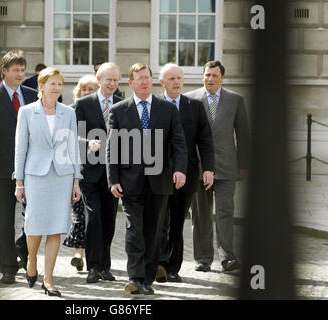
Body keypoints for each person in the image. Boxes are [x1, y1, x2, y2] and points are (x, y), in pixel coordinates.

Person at [106, 63, 187, 295]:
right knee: (134, 229)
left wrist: (180, 169)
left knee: (153, 232)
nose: (144, 82)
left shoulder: (168, 109)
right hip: (130, 181)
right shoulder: (119, 110)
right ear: (130, 83)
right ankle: (134, 277)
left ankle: (148, 279)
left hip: (159, 181)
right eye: (139, 78)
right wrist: (113, 179)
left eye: (147, 78)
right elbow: (112, 147)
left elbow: (178, 142)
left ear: (152, 80)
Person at [14, 67, 82, 297]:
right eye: (52, 83)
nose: (56, 88)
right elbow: (20, 149)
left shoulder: (68, 113)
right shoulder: (26, 112)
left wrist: (76, 181)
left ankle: (49, 279)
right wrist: (19, 183)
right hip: (35, 176)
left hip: (62, 177)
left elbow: (73, 148)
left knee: (56, 228)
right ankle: (31, 259)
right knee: (34, 225)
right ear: (41, 86)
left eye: (59, 84)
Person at [185, 60, 250, 272]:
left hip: (226, 166)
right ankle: (203, 258)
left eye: (214, 75)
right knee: (201, 214)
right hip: (199, 167)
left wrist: (243, 165)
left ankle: (227, 257)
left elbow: (243, 135)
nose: (210, 79)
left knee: (225, 211)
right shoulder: (190, 99)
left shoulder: (235, 100)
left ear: (222, 77)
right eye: (207, 75)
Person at [0, 49, 38, 284]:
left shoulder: (34, 95)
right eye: (16, 71)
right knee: (3, 220)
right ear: (4, 71)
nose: (20, 75)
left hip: (33, 168)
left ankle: (22, 251)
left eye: (23, 71)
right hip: (1, 169)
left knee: (34, 218)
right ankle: (7, 267)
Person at [156, 63, 215, 283]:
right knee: (161, 220)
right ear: (162, 82)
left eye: (179, 78)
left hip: (187, 174)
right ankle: (159, 264)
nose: (177, 82)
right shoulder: (154, 105)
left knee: (178, 221)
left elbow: (205, 140)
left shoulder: (195, 106)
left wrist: (208, 168)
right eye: (171, 78)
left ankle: (172, 267)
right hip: (159, 174)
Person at [75, 63, 123, 284]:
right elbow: (72, 134)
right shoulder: (84, 104)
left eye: (115, 80)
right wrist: (87, 143)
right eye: (108, 79)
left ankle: (105, 265)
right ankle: (93, 267)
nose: (112, 83)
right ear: (99, 79)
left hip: (113, 174)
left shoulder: (124, 105)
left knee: (109, 219)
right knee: (93, 217)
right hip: (90, 172)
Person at [63, 74, 99, 272]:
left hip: (96, 168)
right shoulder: (69, 111)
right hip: (74, 168)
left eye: (91, 89)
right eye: (84, 89)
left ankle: (92, 255)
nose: (87, 92)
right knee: (78, 213)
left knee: (92, 216)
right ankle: (79, 254)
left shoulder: (102, 111)